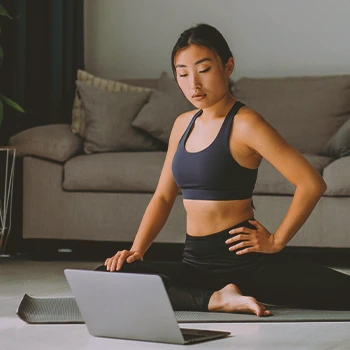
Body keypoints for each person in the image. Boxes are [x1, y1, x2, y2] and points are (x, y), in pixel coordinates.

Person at [95, 23, 350, 317]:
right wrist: (137, 252)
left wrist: (276, 240)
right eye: (183, 73)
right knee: (108, 275)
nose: (194, 84)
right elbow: (164, 196)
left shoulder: (246, 123)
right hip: (196, 263)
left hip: (247, 264)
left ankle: (216, 295)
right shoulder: (182, 124)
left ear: (228, 66)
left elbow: (311, 183)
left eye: (204, 69)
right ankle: (217, 298)